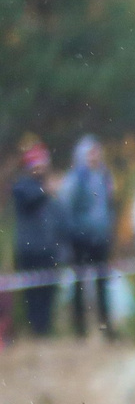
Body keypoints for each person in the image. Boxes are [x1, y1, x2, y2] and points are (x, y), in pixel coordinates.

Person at [61, 136, 116, 340]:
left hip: (100, 238)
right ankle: (79, 329)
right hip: (81, 239)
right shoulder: (76, 178)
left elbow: (108, 206)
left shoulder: (103, 176)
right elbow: (68, 208)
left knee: (102, 283)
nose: (94, 157)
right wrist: (75, 233)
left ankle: (105, 327)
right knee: (79, 284)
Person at [10, 142, 61, 338]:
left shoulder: (46, 187)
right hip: (29, 250)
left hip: (48, 249)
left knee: (48, 292)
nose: (40, 169)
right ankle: (35, 331)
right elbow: (30, 199)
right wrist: (46, 190)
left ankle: (45, 331)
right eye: (36, 165)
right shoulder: (22, 186)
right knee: (32, 294)